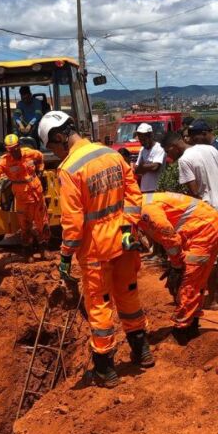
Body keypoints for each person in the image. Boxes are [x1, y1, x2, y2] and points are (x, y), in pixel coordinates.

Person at [38, 111, 153, 388]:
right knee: (128, 296)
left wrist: (65, 255)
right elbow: (134, 196)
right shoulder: (111, 154)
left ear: (59, 137)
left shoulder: (69, 169)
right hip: (124, 242)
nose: (54, 152)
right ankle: (142, 351)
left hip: (96, 250)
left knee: (100, 305)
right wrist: (127, 228)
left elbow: (73, 221)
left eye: (52, 146)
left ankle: (105, 369)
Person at [162, 132, 218, 310]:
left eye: (168, 151)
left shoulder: (184, 161)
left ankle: (212, 300)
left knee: (211, 257)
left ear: (173, 146)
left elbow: (194, 192)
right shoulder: (209, 149)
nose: (168, 156)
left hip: (208, 212)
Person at [137, 192, 218, 344]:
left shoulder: (146, 211)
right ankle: (192, 325)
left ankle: (181, 330)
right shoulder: (142, 204)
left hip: (203, 230)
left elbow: (170, 238)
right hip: (203, 227)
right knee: (196, 281)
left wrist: (177, 265)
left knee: (189, 281)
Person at [0, 133, 49, 257]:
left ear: (19, 146)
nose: (14, 152)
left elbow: (40, 157)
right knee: (25, 225)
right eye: (11, 150)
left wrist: (40, 170)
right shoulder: (5, 161)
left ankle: (44, 250)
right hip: (22, 198)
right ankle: (28, 253)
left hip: (37, 194)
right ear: (7, 150)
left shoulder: (29, 153)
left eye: (15, 148)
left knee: (43, 222)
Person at [134, 123, 165, 194]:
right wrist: (147, 166)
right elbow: (136, 170)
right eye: (140, 140)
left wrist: (142, 166)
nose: (142, 142)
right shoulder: (142, 150)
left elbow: (155, 167)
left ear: (151, 136)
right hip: (144, 189)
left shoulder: (159, 148)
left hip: (157, 189)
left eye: (144, 139)